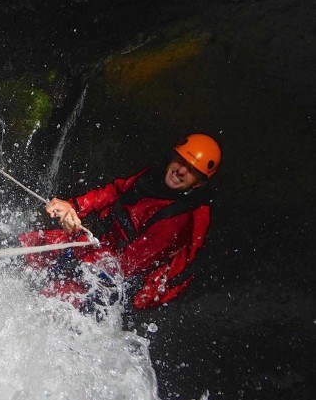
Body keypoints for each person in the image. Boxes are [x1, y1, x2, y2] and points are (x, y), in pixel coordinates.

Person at [20, 133, 221, 311]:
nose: (181, 171)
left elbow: (125, 266)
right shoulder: (152, 178)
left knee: (48, 302)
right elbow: (115, 192)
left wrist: (76, 241)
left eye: (192, 170)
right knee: (24, 247)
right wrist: (74, 206)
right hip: (97, 245)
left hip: (110, 278)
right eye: (181, 161)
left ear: (200, 182)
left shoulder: (174, 223)